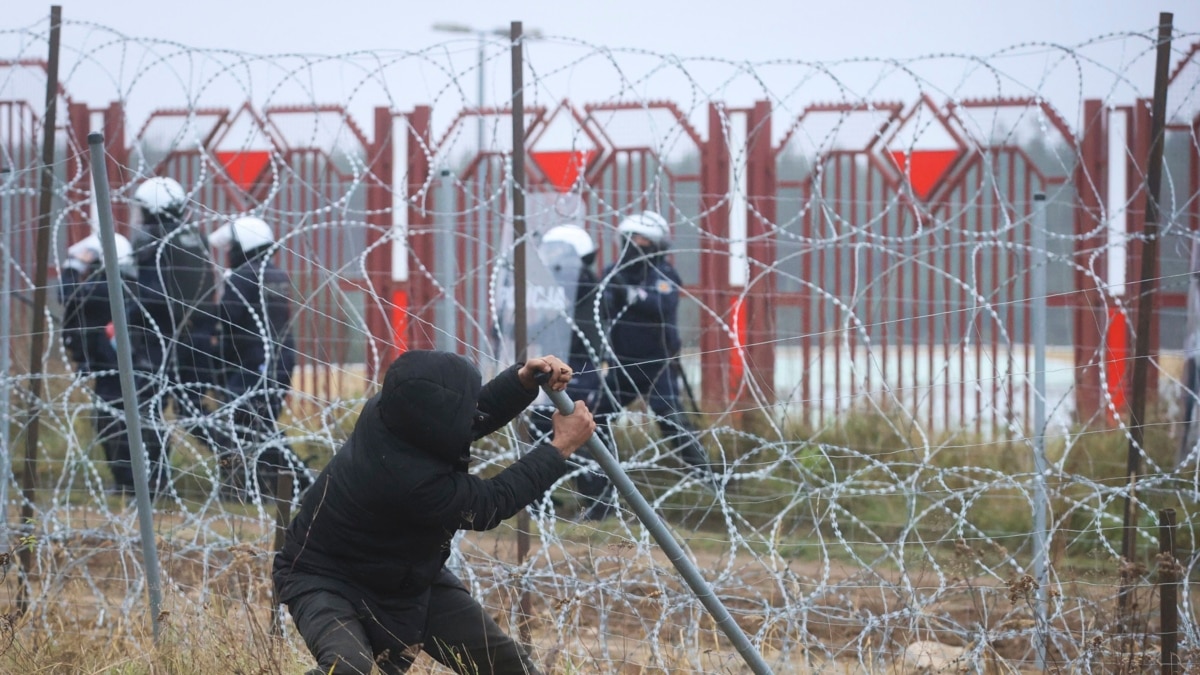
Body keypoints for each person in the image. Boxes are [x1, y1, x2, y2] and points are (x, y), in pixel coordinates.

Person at [273, 350, 594, 675]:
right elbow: (491, 502)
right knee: (347, 668)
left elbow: (464, 415)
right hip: (324, 575)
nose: (472, 410)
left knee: (507, 666)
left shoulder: (394, 412)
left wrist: (522, 381)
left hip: (404, 573)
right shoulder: (411, 482)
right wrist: (561, 447)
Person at [581, 210, 715, 521]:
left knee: (674, 425)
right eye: (630, 239)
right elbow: (600, 305)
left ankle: (714, 488)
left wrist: (626, 293)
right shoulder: (613, 271)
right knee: (594, 422)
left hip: (658, 367)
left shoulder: (665, 274)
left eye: (642, 240)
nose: (634, 245)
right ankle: (601, 500)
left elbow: (660, 303)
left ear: (656, 245)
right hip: (621, 365)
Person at [127, 176, 224, 493]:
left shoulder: (151, 238)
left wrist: (127, 308)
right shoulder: (192, 235)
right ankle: (242, 459)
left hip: (159, 340)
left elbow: (151, 295)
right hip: (194, 338)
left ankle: (155, 481)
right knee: (192, 412)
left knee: (149, 410)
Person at [208, 215, 307, 499]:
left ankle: (244, 486)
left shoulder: (243, 276)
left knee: (238, 426)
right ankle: (283, 484)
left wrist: (212, 350)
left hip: (254, 364)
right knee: (259, 426)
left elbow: (227, 319)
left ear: (244, 247)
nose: (228, 254)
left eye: (232, 248)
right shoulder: (274, 274)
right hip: (278, 360)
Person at [527, 224, 607, 507]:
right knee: (545, 426)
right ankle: (542, 495)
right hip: (564, 365)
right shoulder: (566, 282)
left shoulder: (579, 282)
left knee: (559, 427)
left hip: (578, 368)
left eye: (558, 250)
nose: (551, 256)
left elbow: (559, 320)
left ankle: (596, 497)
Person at [59, 231, 139, 494]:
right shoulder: (124, 284)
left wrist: (72, 267)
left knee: (111, 421)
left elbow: (68, 296)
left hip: (113, 369)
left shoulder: (106, 287)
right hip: (117, 365)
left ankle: (128, 481)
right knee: (118, 421)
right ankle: (133, 481)